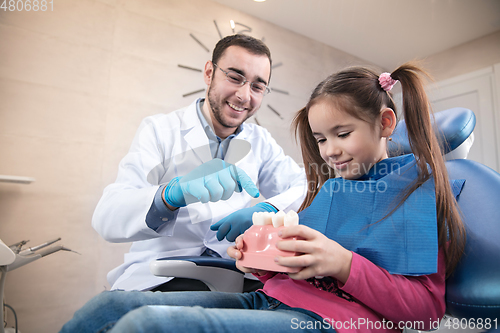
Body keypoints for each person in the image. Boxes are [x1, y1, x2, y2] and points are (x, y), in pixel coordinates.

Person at [60, 63, 467, 333]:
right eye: (321, 139)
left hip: (329, 321)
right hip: (270, 298)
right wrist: (261, 258)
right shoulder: (332, 188)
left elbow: (424, 311)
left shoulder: (414, 193)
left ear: (386, 124)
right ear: (209, 73)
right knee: (107, 310)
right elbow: (295, 269)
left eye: (342, 134)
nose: (329, 151)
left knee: (147, 325)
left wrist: (343, 264)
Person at [92, 34, 307, 292]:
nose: (244, 95)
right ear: (209, 73)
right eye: (235, 77)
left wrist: (269, 209)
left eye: (257, 87)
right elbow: (107, 216)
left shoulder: (260, 141)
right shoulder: (160, 130)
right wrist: (169, 196)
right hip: (162, 273)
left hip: (233, 273)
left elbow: (307, 186)